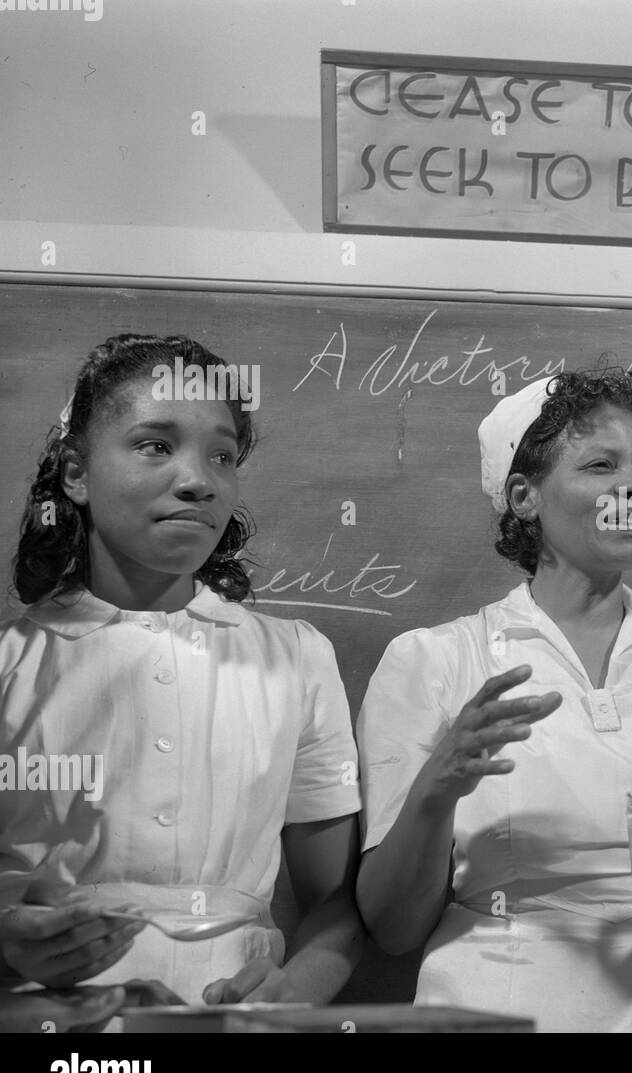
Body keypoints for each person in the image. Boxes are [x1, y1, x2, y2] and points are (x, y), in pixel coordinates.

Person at [355, 367, 632, 1032]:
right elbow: (392, 926)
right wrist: (436, 788)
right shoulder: (434, 662)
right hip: (505, 1004)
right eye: (600, 464)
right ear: (525, 496)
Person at [0, 333, 363, 1006]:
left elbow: (339, 908)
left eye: (221, 455)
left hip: (235, 1015)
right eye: (154, 445)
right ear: (76, 474)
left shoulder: (295, 658)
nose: (197, 479)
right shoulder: (14, 666)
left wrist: (292, 990)